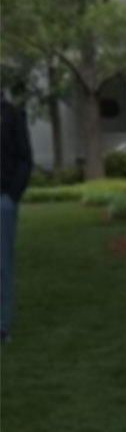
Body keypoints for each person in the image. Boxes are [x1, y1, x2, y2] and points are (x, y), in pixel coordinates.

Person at [1, 90, 33, 342]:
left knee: (2, 265)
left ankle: (2, 326)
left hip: (3, 200)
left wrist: (12, 196)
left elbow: (25, 158)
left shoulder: (12, 116)